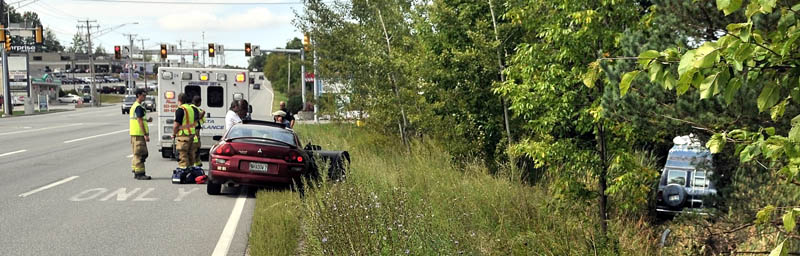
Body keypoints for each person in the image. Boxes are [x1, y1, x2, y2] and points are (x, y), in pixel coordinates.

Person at [172, 93, 200, 183]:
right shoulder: (191, 109)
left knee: (183, 154)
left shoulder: (180, 110)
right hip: (191, 134)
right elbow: (195, 121)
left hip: (183, 135)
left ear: (179, 100)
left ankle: (183, 173)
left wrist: (174, 133)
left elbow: (176, 125)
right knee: (191, 154)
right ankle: (191, 173)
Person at [129, 89, 152, 180]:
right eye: (143, 95)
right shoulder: (138, 107)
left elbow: (140, 119)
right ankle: (140, 173)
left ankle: (135, 170)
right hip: (139, 134)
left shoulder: (135, 106)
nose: (145, 96)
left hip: (134, 133)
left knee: (136, 153)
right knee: (141, 154)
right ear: (138, 95)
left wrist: (147, 120)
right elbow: (139, 121)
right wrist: (145, 134)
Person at [190, 96, 206, 168]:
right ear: (198, 102)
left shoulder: (190, 108)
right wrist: (203, 113)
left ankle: (197, 162)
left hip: (193, 130)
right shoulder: (194, 109)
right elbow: (197, 118)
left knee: (196, 147)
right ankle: (195, 163)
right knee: (195, 147)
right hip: (195, 131)